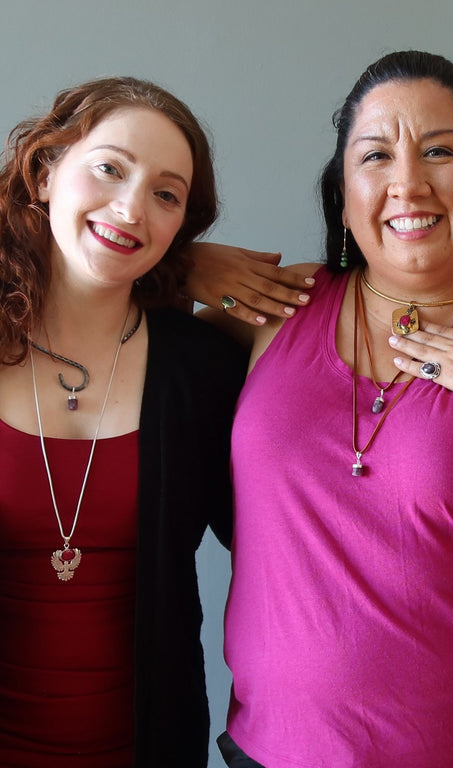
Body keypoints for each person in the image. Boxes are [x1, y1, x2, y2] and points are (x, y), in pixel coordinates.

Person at [205, 51, 453, 768]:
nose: (407, 183)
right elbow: (96, 289)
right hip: (272, 749)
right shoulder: (278, 312)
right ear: (342, 194)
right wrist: (181, 263)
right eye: (375, 156)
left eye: (439, 151)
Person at [0, 78, 246, 766]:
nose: (132, 207)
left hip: (146, 748)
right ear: (45, 173)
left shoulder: (201, 369)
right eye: (109, 168)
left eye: (166, 195)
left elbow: (276, 540)